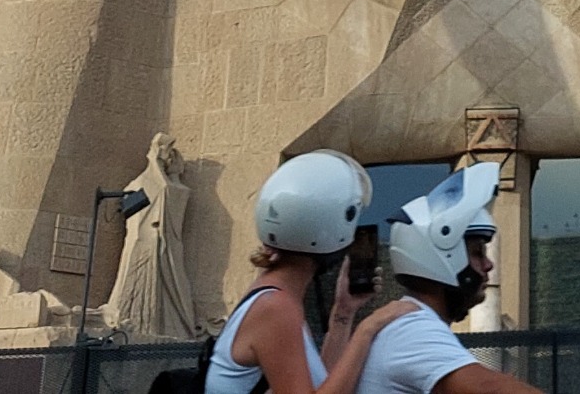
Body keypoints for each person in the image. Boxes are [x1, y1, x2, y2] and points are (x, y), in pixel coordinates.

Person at [207, 152, 402, 394]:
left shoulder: (275, 297)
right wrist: (367, 329)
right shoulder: (276, 308)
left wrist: (344, 312)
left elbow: (322, 384)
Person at [345, 165, 544, 394]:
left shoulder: (409, 322)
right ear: (443, 257)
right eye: (478, 253)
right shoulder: (413, 329)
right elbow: (492, 389)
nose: (489, 265)